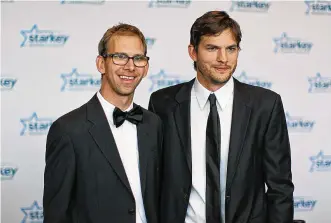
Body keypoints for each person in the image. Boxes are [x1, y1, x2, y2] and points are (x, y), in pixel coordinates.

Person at [148, 11, 294, 223]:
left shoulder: (266, 105)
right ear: (193, 52)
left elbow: (280, 186)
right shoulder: (163, 103)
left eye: (231, 49)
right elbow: (153, 179)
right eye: (212, 48)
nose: (223, 59)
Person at [43, 23, 162, 223]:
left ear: (146, 67)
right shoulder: (68, 130)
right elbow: (56, 215)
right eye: (120, 57)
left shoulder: (154, 123)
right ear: (101, 64)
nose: (130, 66)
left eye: (138, 58)